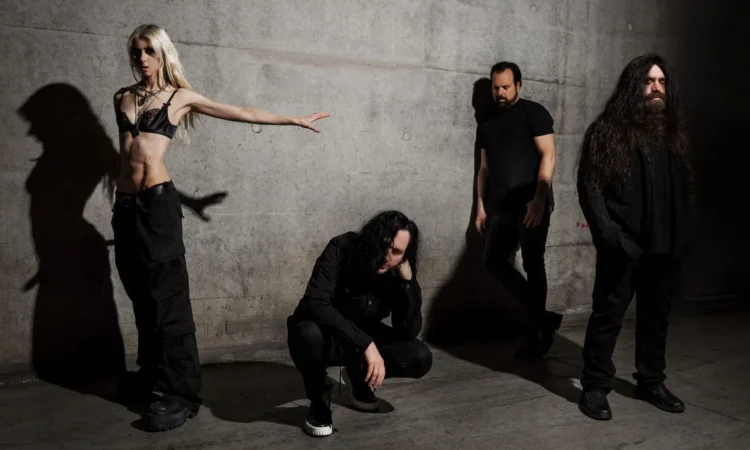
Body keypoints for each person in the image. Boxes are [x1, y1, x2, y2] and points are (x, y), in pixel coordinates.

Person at [112, 24, 329, 431]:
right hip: (125, 209)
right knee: (141, 295)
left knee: (168, 300)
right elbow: (125, 157)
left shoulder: (179, 97)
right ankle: (153, 375)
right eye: (137, 51)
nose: (142, 59)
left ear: (163, 53)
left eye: (149, 51)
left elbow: (240, 112)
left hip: (158, 206)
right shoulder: (122, 97)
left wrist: (293, 119)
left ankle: (179, 394)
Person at [576, 53, 697, 421]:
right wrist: (612, 237)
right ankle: (595, 386)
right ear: (634, 86)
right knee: (607, 317)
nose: (656, 88)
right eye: (648, 81)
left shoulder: (674, 134)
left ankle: (650, 381)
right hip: (624, 246)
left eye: (661, 82)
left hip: (665, 246)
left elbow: (685, 192)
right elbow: (590, 189)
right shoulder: (606, 131)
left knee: (656, 318)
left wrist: (682, 238)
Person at [287, 211, 433, 437]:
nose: (387, 256)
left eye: (396, 252)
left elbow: (408, 331)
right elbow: (315, 303)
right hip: (327, 336)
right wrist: (366, 344)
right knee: (306, 332)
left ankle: (357, 376)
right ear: (373, 238)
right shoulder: (341, 247)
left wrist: (407, 283)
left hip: (361, 339)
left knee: (419, 357)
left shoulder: (396, 270)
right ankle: (319, 400)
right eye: (384, 245)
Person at [474, 61, 562, 358]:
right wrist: (480, 207)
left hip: (529, 204)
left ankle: (536, 334)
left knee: (534, 264)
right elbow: (484, 169)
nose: (500, 93)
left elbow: (549, 155)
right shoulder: (487, 121)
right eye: (496, 87)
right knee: (493, 262)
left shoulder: (533, 113)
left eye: (506, 87)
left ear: (518, 85)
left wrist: (539, 200)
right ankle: (543, 320)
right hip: (500, 206)